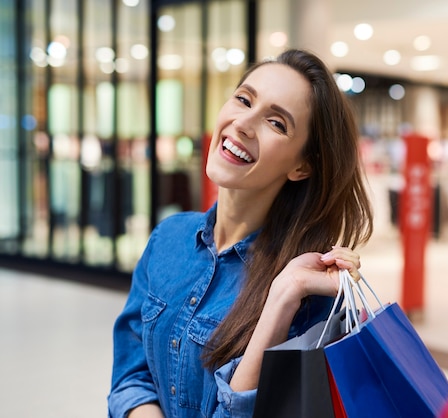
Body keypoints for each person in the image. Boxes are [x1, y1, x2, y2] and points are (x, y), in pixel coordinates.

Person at [107, 48, 374, 418]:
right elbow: (130, 377)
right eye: (244, 99)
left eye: (276, 123)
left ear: (302, 166)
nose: (243, 124)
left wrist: (282, 298)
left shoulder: (311, 298)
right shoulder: (168, 239)